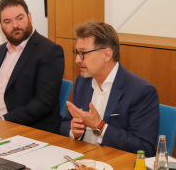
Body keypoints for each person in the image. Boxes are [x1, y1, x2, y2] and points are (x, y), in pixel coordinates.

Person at [60, 21, 159, 157]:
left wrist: (100, 126)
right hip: (82, 159)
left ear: (107, 55)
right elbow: (64, 124)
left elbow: (145, 149)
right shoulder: (82, 81)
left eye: (83, 53)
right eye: (77, 52)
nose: (77, 59)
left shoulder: (141, 91)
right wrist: (74, 131)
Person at [0, 0, 64, 134]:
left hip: (20, 129)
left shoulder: (49, 51)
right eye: (7, 21)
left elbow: (43, 103)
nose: (15, 25)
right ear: (1, 25)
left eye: (20, 18)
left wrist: (1, 120)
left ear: (29, 17)